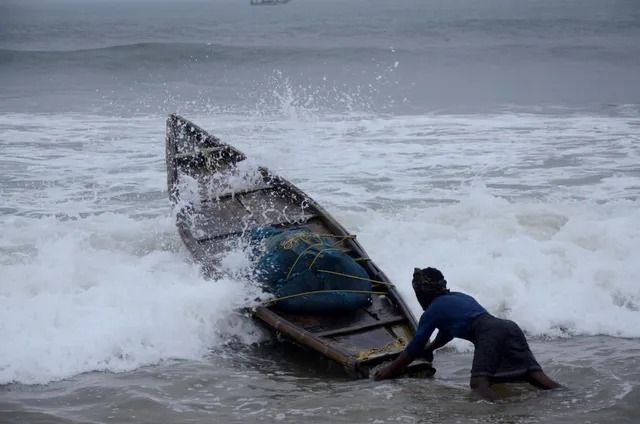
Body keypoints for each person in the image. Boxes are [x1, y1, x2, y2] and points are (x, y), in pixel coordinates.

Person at [373, 267, 562, 401]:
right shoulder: (458, 297)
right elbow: (448, 332)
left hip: (488, 333)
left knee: (479, 384)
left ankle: (502, 412)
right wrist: (431, 348)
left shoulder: (432, 311)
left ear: (422, 292)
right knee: (533, 374)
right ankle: (570, 396)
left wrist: (389, 371)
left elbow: (414, 346)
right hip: (509, 327)